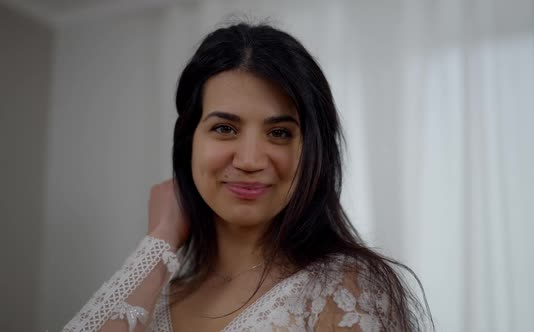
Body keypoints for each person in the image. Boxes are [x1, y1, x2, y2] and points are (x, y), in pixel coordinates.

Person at [63, 22, 433, 332]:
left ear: (314, 151)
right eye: (224, 128)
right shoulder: (158, 294)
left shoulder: (344, 287)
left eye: (279, 133)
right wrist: (160, 241)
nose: (251, 160)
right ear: (189, 142)